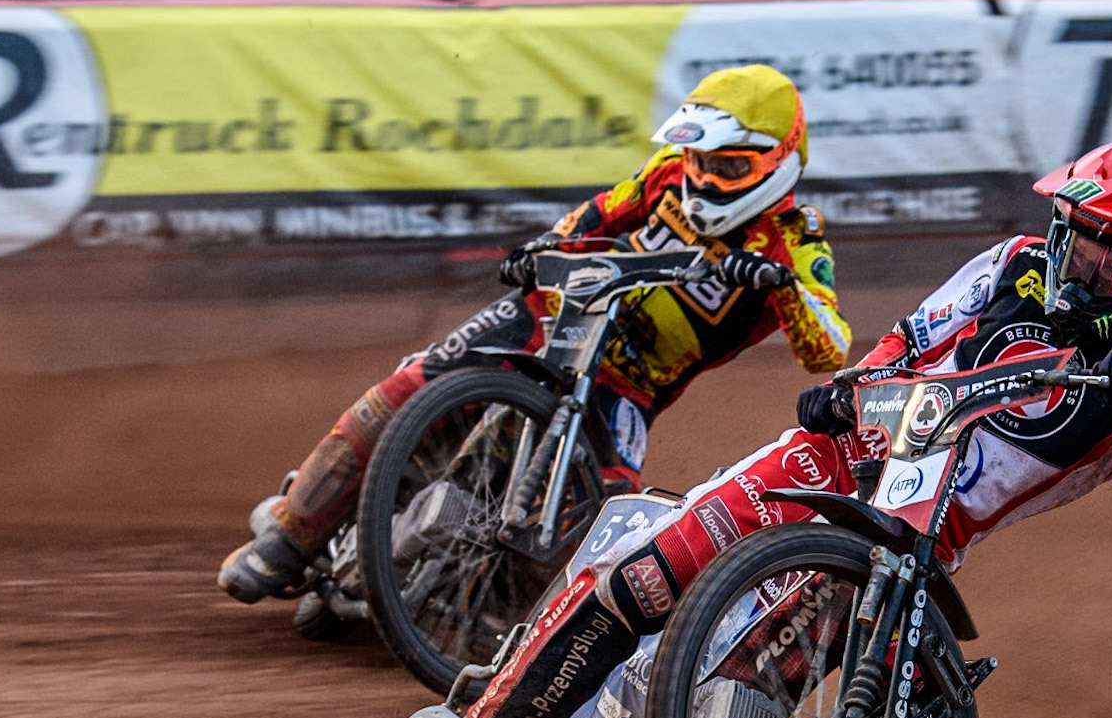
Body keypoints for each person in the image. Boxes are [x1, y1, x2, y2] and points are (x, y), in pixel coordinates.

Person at [420, 137, 1112, 718]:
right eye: (1073, 241)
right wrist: (853, 387)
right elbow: (913, 336)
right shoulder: (1013, 263)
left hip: (910, 545)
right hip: (834, 457)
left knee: (854, 717)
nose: (1075, 267)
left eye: (1107, 263)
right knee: (642, 579)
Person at [219, 64, 851, 603]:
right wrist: (545, 246)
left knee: (603, 535)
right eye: (700, 161)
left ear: (780, 161)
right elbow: (600, 212)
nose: (707, 180)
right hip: (553, 314)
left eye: (729, 166)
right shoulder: (666, 172)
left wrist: (781, 284)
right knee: (408, 388)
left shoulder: (794, 242)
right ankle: (289, 536)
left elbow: (829, 346)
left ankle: (475, 615)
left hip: (628, 387)